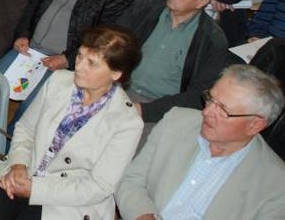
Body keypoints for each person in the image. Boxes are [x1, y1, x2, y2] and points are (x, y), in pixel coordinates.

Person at [0, 26, 143, 220]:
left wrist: (35, 189)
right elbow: (26, 129)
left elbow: (98, 186)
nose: (79, 66)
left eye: (92, 63)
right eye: (79, 56)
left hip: (69, 203)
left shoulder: (127, 123)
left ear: (116, 74)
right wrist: (18, 165)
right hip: (24, 173)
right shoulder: (59, 81)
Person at [0, 0, 133, 126]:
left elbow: (102, 38)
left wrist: (68, 58)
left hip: (62, 61)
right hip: (29, 48)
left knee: (28, 113)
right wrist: (23, 33)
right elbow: (33, 1)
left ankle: (6, 151)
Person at [116, 65, 285, 220]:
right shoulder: (176, 121)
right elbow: (131, 180)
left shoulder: (276, 186)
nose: (206, 111)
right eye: (210, 99)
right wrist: (143, 215)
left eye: (223, 109)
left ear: (255, 125)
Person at [118, 0, 239, 124]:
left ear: (202, 0)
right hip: (118, 89)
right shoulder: (144, 7)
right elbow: (110, 46)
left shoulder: (212, 40)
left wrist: (144, 111)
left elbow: (198, 96)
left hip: (163, 111)